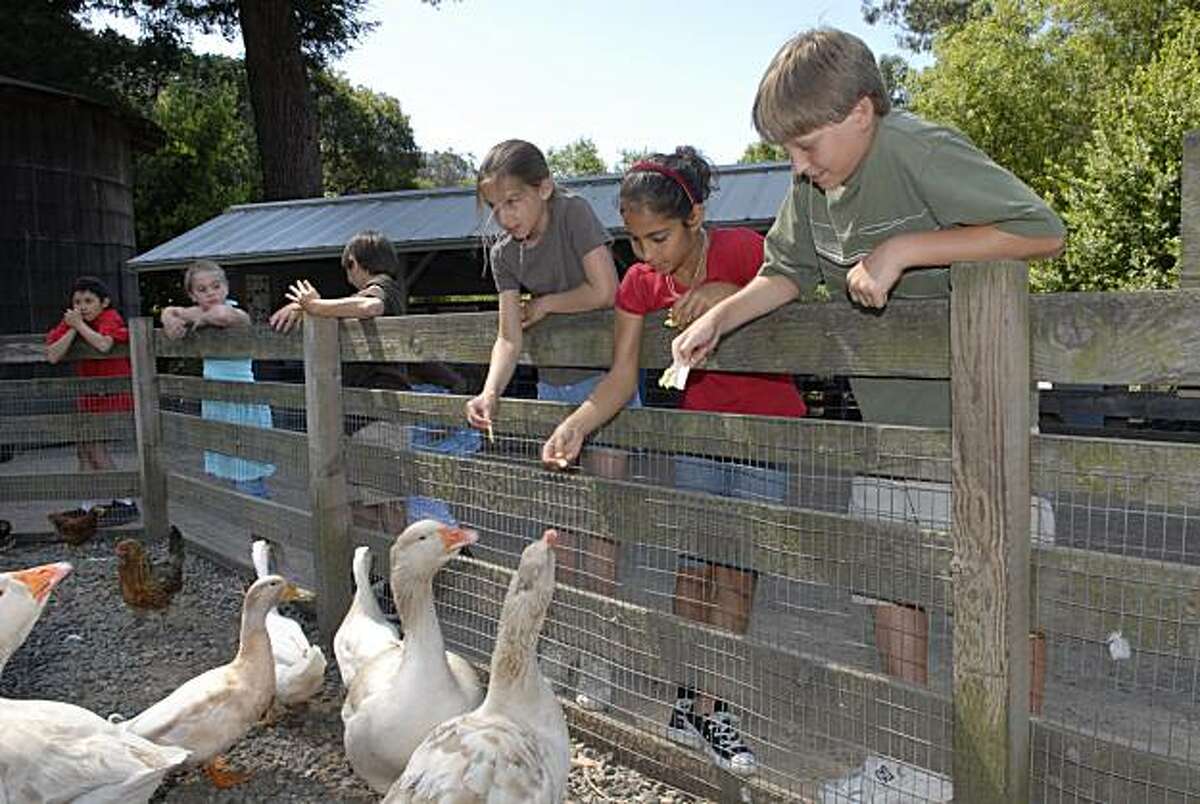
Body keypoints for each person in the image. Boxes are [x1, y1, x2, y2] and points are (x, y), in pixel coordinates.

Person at [671, 28, 1065, 799]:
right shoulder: (812, 188)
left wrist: (905, 250)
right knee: (892, 585)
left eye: (808, 146)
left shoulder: (917, 147)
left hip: (979, 421)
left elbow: (1041, 231)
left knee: (1008, 595)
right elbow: (785, 272)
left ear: (862, 113)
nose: (799, 165)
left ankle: (1017, 772)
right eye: (789, 150)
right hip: (888, 430)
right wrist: (721, 318)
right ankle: (912, 765)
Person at [542, 148, 808, 777]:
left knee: (737, 572)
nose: (649, 255)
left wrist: (722, 297)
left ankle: (718, 708)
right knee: (693, 570)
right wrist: (578, 423)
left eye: (659, 237)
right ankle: (688, 700)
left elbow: (796, 291)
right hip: (698, 432)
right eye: (635, 241)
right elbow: (620, 375)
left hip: (767, 434)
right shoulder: (640, 284)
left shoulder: (745, 250)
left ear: (696, 216)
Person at [466, 139, 634, 595]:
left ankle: (600, 624)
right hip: (554, 390)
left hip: (605, 385)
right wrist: (489, 392)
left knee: (602, 515)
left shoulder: (573, 212)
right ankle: (568, 627)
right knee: (562, 516)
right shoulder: (503, 253)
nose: (505, 216)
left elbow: (605, 289)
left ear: (544, 187)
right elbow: (507, 336)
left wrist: (547, 304)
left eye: (513, 201)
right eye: (495, 207)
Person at [270, 230, 477, 528]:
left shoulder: (384, 287)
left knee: (386, 502)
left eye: (348, 269)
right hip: (365, 416)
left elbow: (370, 306)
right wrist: (307, 309)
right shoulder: (382, 294)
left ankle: (396, 565)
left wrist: (314, 306)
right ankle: (377, 566)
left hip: (379, 416)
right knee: (361, 502)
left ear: (354, 262)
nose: (348, 277)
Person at [161, 261, 276, 498]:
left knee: (248, 475)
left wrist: (193, 318)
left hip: (242, 401)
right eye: (202, 290)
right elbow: (168, 312)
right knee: (235, 476)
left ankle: (266, 530)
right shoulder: (198, 311)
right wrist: (169, 317)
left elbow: (221, 315)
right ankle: (258, 530)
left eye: (215, 286)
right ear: (192, 295)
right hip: (217, 401)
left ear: (226, 288)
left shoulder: (237, 313)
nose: (211, 293)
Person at [45, 276, 139, 524]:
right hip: (88, 395)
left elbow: (104, 345)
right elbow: (53, 355)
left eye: (89, 301)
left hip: (111, 394)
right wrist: (74, 327)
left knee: (95, 447)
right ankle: (86, 506)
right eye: (77, 301)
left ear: (104, 302)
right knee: (84, 449)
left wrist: (80, 326)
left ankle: (126, 502)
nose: (82, 306)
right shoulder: (74, 321)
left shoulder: (110, 318)